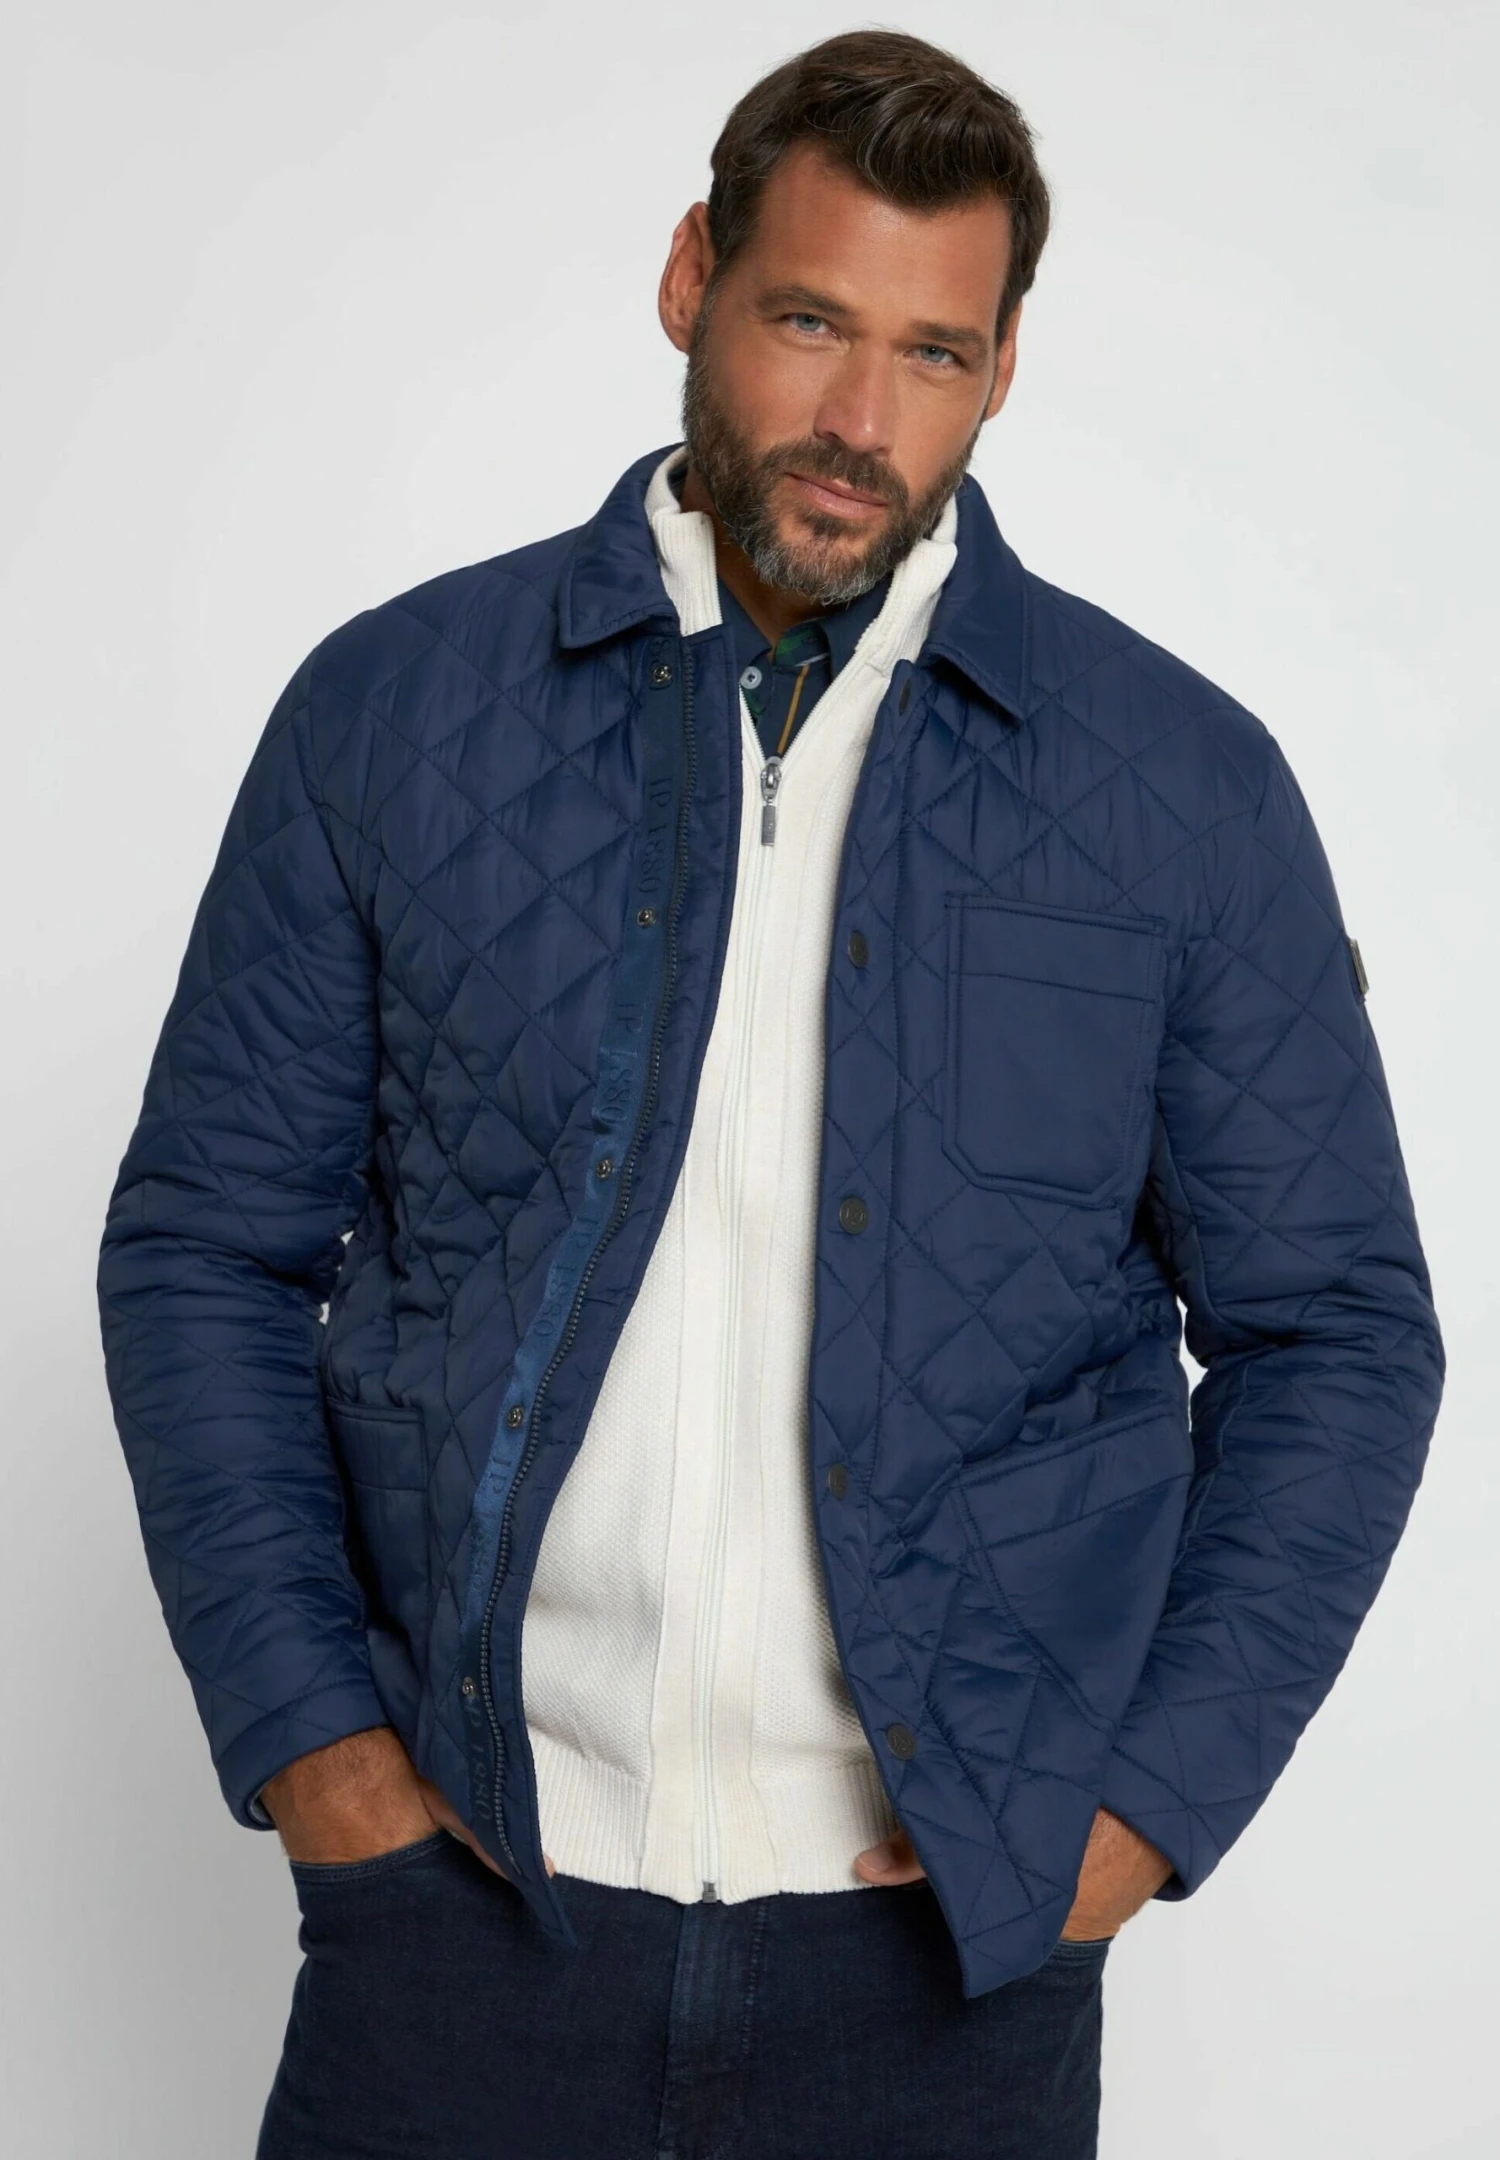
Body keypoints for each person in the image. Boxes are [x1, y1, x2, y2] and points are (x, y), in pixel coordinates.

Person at [96, 27, 1444, 2160]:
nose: (857, 423)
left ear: (1002, 370)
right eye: (810, 321)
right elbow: (207, 1249)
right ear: (689, 280)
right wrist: (317, 1755)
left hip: (943, 1983)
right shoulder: (395, 714)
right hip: (464, 1924)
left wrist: (1130, 1817)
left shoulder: (1177, 791)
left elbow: (1337, 1334)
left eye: (932, 352)